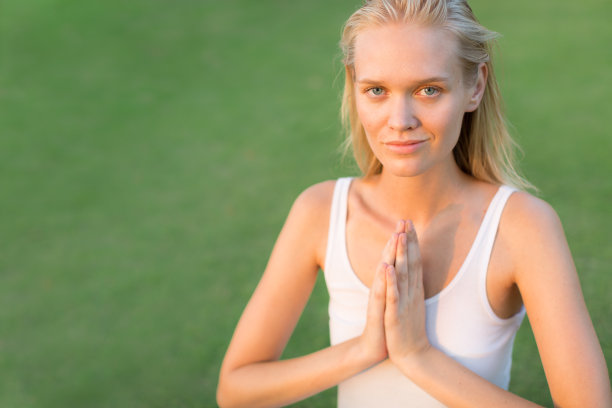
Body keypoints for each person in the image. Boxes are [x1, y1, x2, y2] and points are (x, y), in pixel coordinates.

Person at [216, 0, 611, 406]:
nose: (400, 119)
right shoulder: (321, 212)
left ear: (474, 86)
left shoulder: (521, 227)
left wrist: (417, 356)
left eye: (428, 90)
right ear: (354, 87)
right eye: (377, 90)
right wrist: (365, 349)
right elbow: (236, 391)